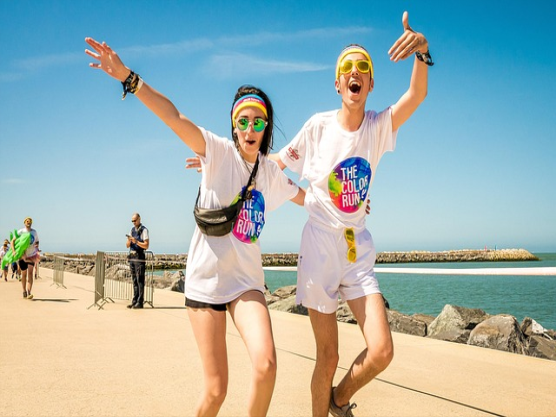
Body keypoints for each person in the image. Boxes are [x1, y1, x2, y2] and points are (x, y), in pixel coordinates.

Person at [85, 37, 305, 417]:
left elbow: (308, 198)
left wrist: (349, 203)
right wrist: (129, 78)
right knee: (216, 392)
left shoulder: (270, 173)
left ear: (266, 126)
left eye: (257, 121)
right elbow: (173, 117)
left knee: (266, 364)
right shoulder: (216, 152)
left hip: (246, 282)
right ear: (233, 125)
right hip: (205, 284)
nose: (250, 128)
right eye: (243, 121)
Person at [271, 12, 432, 417]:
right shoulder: (317, 127)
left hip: (356, 247)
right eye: (347, 68)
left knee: (381, 351)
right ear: (337, 83)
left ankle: (338, 400)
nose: (354, 73)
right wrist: (226, 160)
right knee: (327, 357)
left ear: (371, 84)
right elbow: (276, 165)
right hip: (319, 247)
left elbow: (416, 96)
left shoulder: (377, 128)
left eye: (363, 67)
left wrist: (422, 52)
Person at [12, 217, 40, 299]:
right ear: (24, 223)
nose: (28, 222)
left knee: (30, 273)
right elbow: (13, 241)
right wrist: (14, 251)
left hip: (32, 255)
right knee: (24, 274)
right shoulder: (21, 231)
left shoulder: (34, 232)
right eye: (27, 221)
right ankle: (24, 290)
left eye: (30, 221)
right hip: (22, 256)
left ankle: (29, 292)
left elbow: (37, 241)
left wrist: (37, 247)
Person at [126, 213, 150, 309]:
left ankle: (140, 302)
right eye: (132, 221)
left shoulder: (144, 230)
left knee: (140, 280)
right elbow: (127, 245)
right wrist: (129, 240)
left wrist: (136, 241)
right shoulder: (132, 230)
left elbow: (146, 245)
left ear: (139, 219)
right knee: (134, 280)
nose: (133, 222)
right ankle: (135, 300)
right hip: (132, 256)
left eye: (135, 220)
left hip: (139, 257)